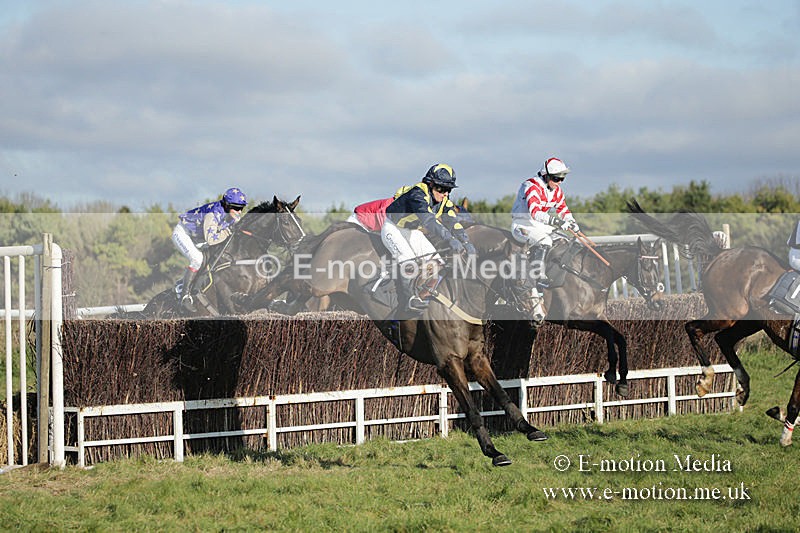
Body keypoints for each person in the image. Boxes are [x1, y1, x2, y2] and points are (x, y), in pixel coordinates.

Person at [383, 163, 477, 312]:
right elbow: (429, 221)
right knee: (408, 261)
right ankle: (409, 302)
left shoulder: (445, 202)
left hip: (411, 231)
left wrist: (465, 241)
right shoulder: (418, 194)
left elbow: (453, 222)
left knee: (437, 262)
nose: (445, 193)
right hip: (392, 228)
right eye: (442, 188)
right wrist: (450, 239)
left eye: (449, 190)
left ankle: (422, 297)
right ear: (431, 184)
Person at [172, 187, 248, 312]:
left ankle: (186, 284)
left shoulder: (232, 214)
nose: (239, 211)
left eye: (242, 208)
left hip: (198, 238)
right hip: (183, 234)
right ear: (227, 205)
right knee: (197, 259)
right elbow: (212, 239)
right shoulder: (213, 214)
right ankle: (184, 296)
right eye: (237, 208)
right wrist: (228, 231)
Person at [511, 157, 580, 286]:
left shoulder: (557, 191)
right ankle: (538, 278)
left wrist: (572, 223)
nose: (559, 182)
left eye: (562, 178)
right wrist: (557, 222)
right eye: (556, 178)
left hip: (539, 226)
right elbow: (535, 212)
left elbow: (563, 209)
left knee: (564, 238)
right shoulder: (532, 186)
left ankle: (556, 273)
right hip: (522, 225)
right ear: (546, 176)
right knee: (545, 241)